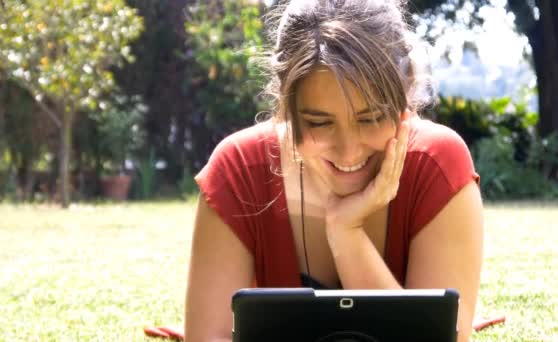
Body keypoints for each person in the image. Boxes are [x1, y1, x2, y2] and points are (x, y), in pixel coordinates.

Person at [185, 1, 484, 341]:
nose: (349, 151)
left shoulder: (438, 165)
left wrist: (347, 232)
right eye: (319, 123)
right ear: (285, 105)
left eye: (370, 118)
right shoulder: (238, 170)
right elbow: (210, 336)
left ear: (404, 103)